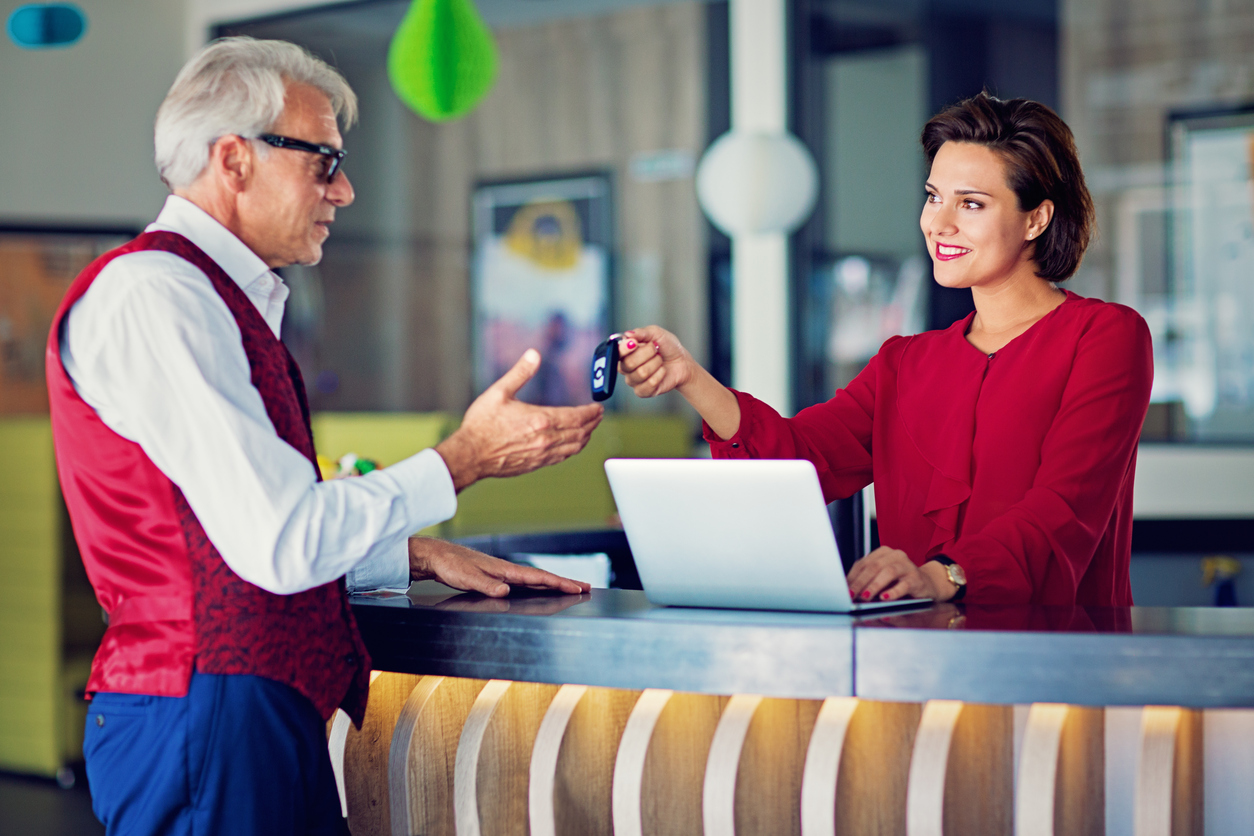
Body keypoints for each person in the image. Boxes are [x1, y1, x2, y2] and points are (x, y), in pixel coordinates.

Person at [47, 38, 602, 836]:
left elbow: (225, 533)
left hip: (241, 712)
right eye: (324, 161)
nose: (344, 191)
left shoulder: (208, 298)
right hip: (202, 715)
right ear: (234, 160)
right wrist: (464, 458)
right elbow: (279, 540)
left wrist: (400, 552)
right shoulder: (156, 297)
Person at [617, 92, 1152, 609]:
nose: (938, 223)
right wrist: (690, 377)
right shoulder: (905, 362)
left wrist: (943, 574)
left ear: (1036, 219)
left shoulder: (1106, 336)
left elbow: (1064, 508)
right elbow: (800, 458)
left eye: (971, 203)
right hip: (917, 658)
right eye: (934, 196)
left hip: (1061, 661)